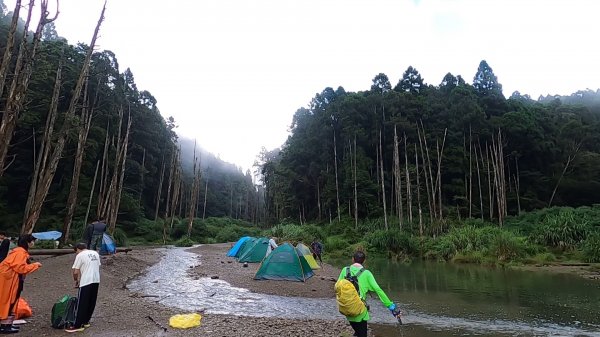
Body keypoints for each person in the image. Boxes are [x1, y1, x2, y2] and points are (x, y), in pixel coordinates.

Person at [337, 251, 400, 337]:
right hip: (360, 310)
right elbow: (378, 290)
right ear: (364, 261)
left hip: (346, 308)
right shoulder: (366, 273)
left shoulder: (345, 270)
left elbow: (337, 287)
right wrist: (391, 306)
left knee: (357, 331)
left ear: (353, 259)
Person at [0, 234, 42, 334]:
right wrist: (35, 265)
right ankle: (5, 325)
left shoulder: (19, 251)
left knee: (12, 301)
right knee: (9, 301)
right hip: (9, 281)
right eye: (32, 241)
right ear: (28, 242)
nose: (33, 243)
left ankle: (7, 324)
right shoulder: (20, 253)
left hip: (11, 280)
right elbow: (20, 268)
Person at [65, 243, 101, 333]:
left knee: (82, 303)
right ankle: (86, 321)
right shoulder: (95, 253)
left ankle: (77, 325)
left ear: (77, 249)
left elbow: (76, 271)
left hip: (86, 281)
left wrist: (76, 280)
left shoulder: (80, 255)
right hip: (96, 280)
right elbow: (97, 265)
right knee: (91, 301)